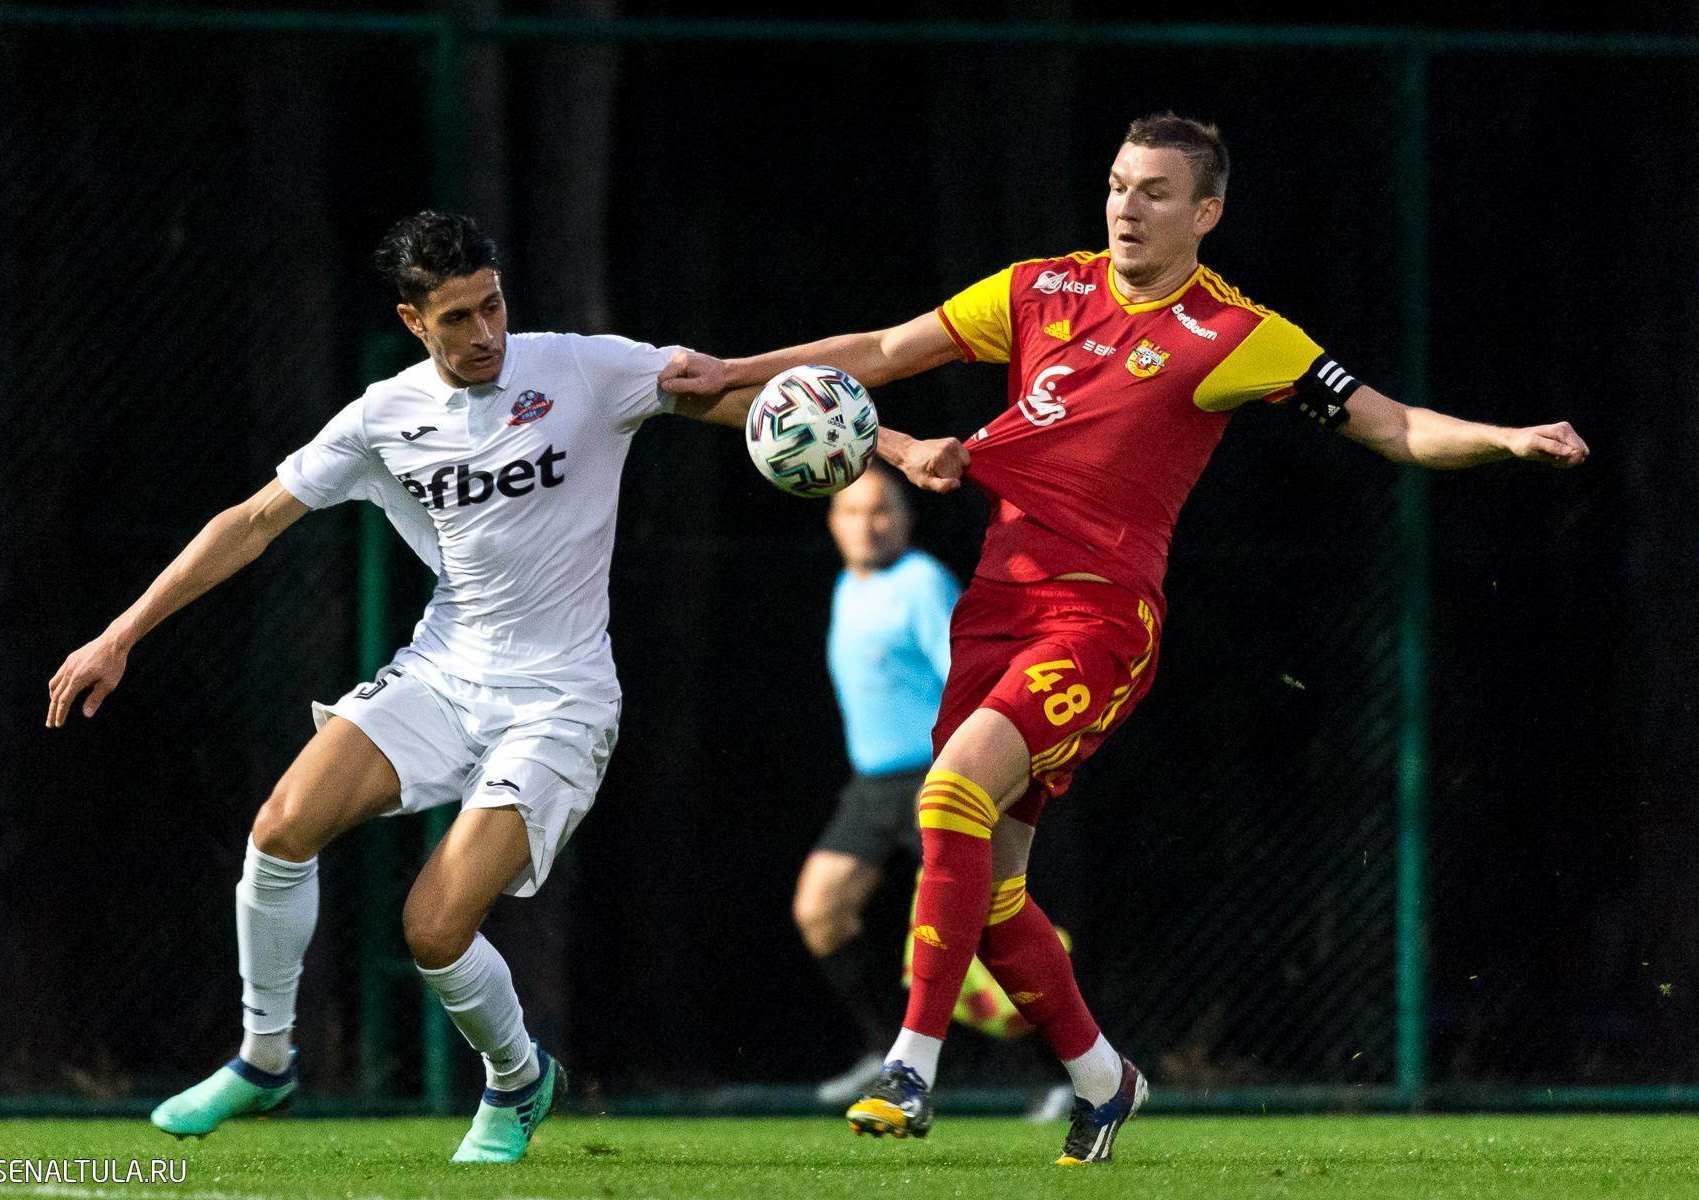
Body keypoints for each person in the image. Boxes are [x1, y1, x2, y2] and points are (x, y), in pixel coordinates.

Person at [659, 113, 1589, 1165]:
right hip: (995, 606)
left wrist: (1505, 437)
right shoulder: (1038, 289)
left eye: (1154, 191)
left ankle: (910, 1066)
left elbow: (1394, 423)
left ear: (1207, 213)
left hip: (1100, 617)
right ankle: (1106, 1081)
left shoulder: (1236, 333)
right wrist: (737, 367)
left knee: (948, 795)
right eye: (1116, 184)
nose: (1125, 208)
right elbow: (880, 352)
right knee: (991, 888)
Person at [46, 211, 739, 1163]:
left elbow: (741, 394)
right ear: (413, 321)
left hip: (560, 700)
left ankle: (518, 1080)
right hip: (444, 674)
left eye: (493, 305)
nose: (486, 332)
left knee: (434, 927)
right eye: (457, 317)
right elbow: (251, 522)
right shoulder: (383, 416)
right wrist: (121, 633)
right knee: (281, 827)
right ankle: (265, 1061)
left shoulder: (582, 367)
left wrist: (892, 443)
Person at [798, 464, 959, 1104]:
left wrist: (967, 773)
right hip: (872, 786)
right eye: (852, 512)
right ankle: (888, 1054)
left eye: (881, 510)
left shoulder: (921, 582)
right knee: (822, 911)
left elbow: (969, 679)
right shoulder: (849, 586)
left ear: (906, 518)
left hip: (936, 779)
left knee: (989, 933)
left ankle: (1065, 1075)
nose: (867, 525)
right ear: (833, 522)